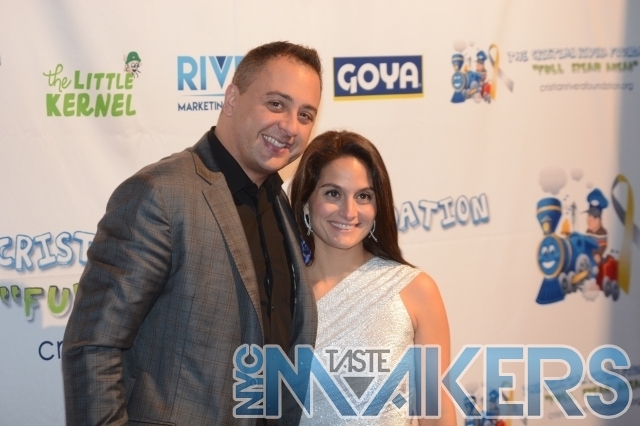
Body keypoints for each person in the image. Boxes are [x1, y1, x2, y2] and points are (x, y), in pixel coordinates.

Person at [62, 41, 322, 426]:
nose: (290, 126)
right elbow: (94, 346)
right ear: (231, 99)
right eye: (276, 104)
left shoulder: (278, 203)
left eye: (305, 114)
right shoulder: (160, 194)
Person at [289, 131, 456, 425]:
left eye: (363, 196)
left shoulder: (415, 290)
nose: (349, 211)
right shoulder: (280, 293)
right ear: (306, 201)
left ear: (377, 207)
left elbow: (435, 410)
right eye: (333, 193)